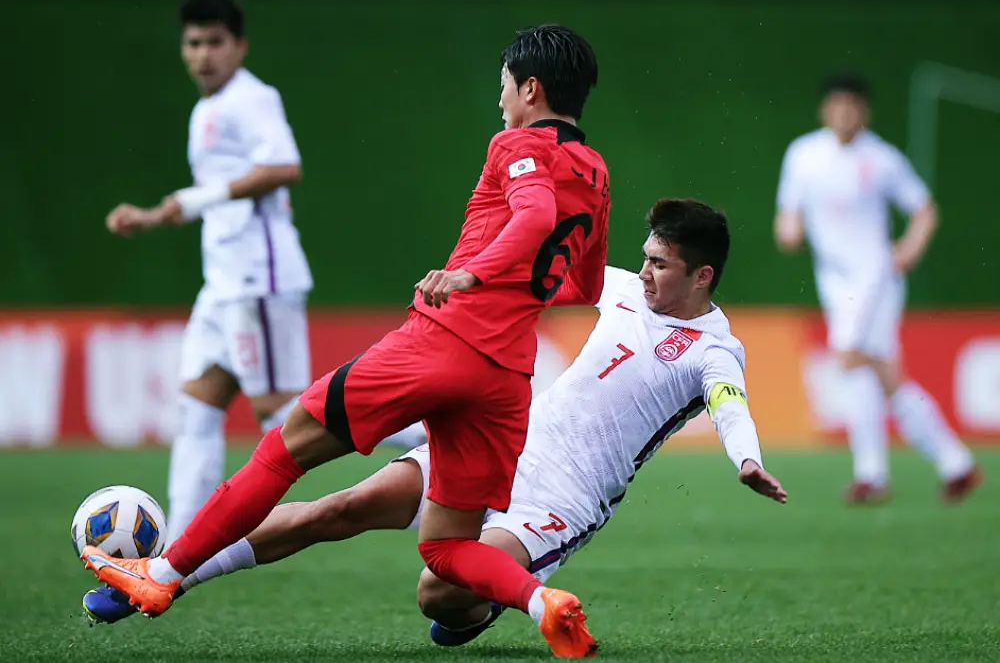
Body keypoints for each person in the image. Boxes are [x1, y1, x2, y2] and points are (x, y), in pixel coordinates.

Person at [84, 24, 607, 659]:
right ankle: (539, 600)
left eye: (504, 88)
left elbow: (534, 214)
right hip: (507, 375)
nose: (500, 102)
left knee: (282, 452)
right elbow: (581, 280)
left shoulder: (517, 144)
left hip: (443, 338)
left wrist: (475, 271)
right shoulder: (596, 172)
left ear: (531, 89)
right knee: (446, 549)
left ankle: (160, 576)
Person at [83, 199, 787, 653]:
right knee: (341, 506)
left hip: (561, 502)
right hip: (506, 441)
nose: (644, 270)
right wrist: (468, 277)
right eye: (645, 256)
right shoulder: (629, 290)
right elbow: (535, 273)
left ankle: (474, 612)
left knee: (439, 594)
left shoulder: (714, 349)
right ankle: (165, 573)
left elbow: (730, 403)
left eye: (661, 263)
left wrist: (745, 458)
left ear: (703, 276)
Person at [104, 0, 313, 543]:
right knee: (198, 400)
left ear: (238, 46)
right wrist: (153, 216)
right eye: (193, 43)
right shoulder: (206, 111)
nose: (204, 55)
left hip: (257, 278)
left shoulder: (252, 98)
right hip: (221, 283)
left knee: (285, 412)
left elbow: (284, 166)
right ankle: (178, 543)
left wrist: (192, 201)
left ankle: (420, 428)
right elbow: (213, 193)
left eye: (215, 42)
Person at [774, 73, 980, 504]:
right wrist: (788, 228)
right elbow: (788, 212)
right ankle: (949, 463)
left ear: (864, 111)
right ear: (825, 109)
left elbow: (924, 210)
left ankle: (879, 473)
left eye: (852, 105)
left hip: (875, 276)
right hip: (833, 280)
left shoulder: (881, 159)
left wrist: (909, 248)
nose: (844, 112)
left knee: (850, 359)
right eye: (837, 104)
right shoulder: (804, 153)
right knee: (871, 369)